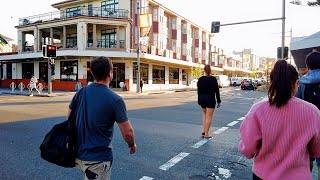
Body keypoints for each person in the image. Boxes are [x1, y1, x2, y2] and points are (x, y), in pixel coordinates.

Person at [239, 60, 320, 180]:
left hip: (263, 175)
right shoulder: (313, 112)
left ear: (271, 83)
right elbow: (317, 150)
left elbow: (248, 150)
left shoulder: (258, 109)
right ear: (296, 84)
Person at [67, 57, 136, 180]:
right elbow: (128, 132)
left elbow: (69, 117)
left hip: (78, 154)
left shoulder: (80, 93)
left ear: (92, 73)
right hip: (97, 161)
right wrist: (132, 145)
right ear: (110, 73)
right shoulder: (115, 100)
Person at [296, 51, 320, 177]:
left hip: (307, 126)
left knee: (308, 159)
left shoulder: (302, 82)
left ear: (307, 65)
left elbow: (296, 104)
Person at [197, 65, 221, 139]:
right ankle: (206, 134)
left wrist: (199, 100)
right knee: (209, 116)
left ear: (204, 70)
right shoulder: (213, 79)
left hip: (202, 98)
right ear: (210, 70)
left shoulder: (200, 79)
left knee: (205, 115)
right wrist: (218, 101)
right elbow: (217, 91)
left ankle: (204, 131)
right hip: (210, 98)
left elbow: (198, 91)